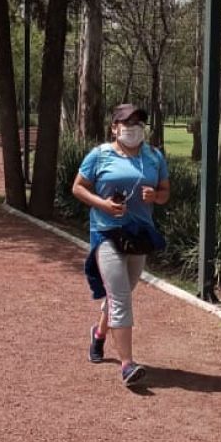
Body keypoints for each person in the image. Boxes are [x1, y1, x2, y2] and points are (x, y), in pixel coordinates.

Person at [71, 103, 170, 387]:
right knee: (122, 298)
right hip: (106, 234)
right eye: (127, 123)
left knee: (119, 294)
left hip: (139, 236)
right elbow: (77, 187)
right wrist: (103, 204)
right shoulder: (99, 155)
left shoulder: (154, 156)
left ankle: (99, 334)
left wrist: (155, 196)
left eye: (139, 123)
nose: (133, 128)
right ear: (114, 127)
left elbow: (165, 192)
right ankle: (127, 365)